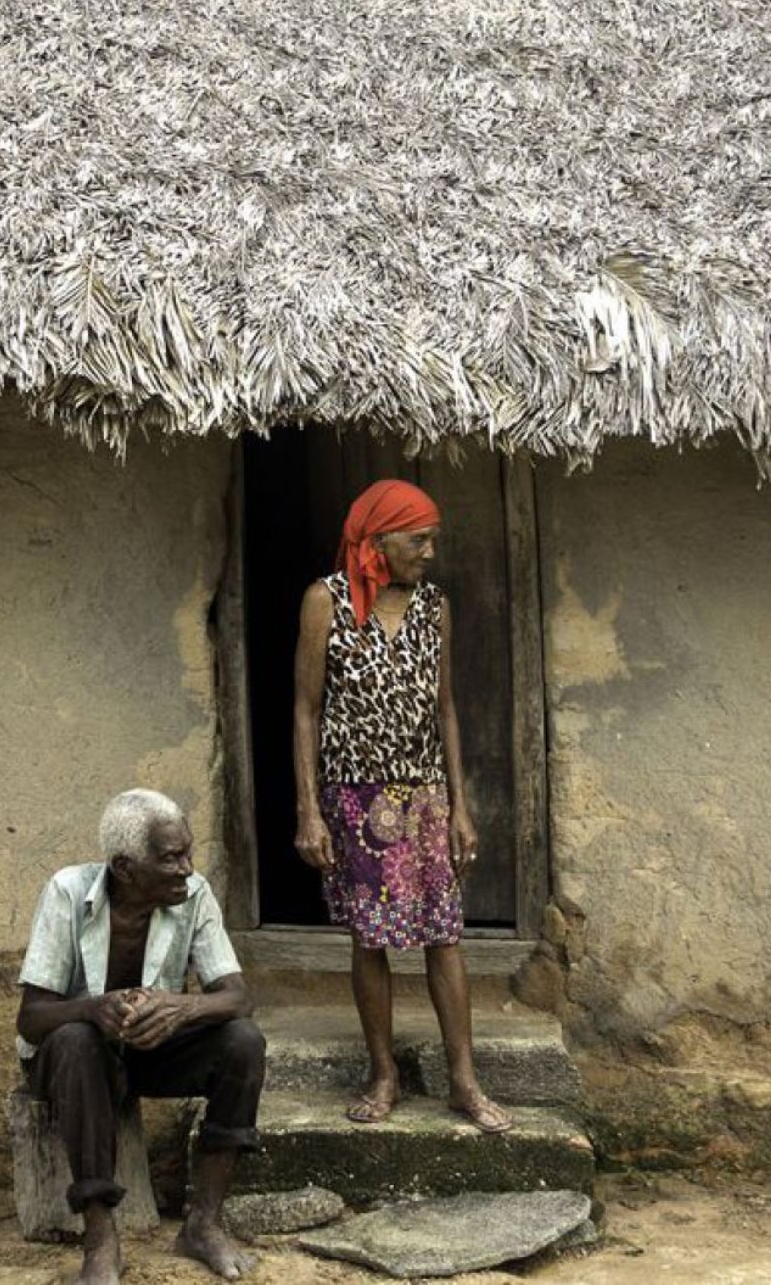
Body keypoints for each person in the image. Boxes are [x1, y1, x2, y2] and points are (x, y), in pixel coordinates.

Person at [291, 478, 515, 1132]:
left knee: (444, 936)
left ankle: (464, 1083)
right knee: (370, 940)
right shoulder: (323, 602)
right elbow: (305, 711)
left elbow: (445, 707)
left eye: (433, 539)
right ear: (379, 538)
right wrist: (308, 809)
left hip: (424, 796)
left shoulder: (432, 606)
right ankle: (383, 1073)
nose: (429, 551)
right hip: (355, 797)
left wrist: (460, 804)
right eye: (419, 538)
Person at [17, 789, 264, 1284]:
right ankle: (101, 1239)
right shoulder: (68, 892)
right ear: (126, 869)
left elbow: (237, 998)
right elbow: (31, 1018)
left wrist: (183, 1007)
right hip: (75, 1060)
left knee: (242, 1041)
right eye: (171, 858)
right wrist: (93, 1008)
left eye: (187, 852)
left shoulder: (194, 896)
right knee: (74, 1041)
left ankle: (203, 1223)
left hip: (150, 1052)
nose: (187, 869)